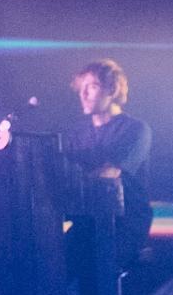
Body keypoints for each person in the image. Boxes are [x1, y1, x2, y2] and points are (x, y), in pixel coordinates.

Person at [62, 58, 153, 277]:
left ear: (111, 89)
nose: (83, 94)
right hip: (88, 221)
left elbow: (110, 172)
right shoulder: (77, 134)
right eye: (81, 88)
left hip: (125, 223)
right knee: (54, 264)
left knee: (98, 271)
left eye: (91, 87)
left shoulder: (135, 129)